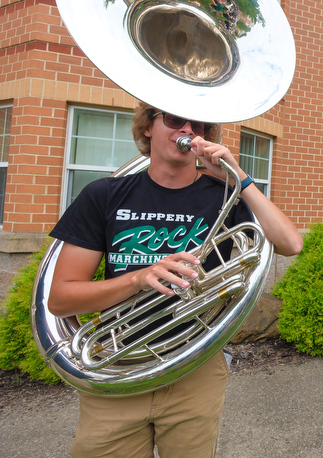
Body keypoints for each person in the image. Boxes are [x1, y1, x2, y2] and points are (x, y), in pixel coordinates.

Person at [48, 102, 303, 457]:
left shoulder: (226, 196)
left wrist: (238, 175)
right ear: (147, 127)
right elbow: (60, 298)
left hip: (194, 365)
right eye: (173, 119)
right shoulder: (103, 195)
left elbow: (291, 243)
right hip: (120, 362)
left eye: (197, 124)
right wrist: (140, 278)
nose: (186, 130)